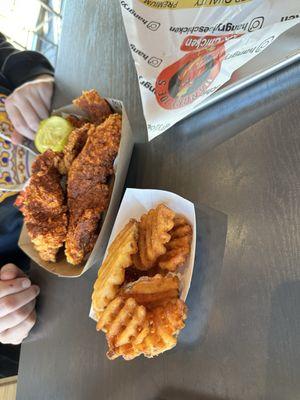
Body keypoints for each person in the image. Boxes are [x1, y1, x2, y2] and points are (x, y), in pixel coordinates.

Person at [0, 32, 54, 375]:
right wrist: (7, 314)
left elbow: (14, 62)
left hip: (93, 139)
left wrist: (38, 80)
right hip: (51, 273)